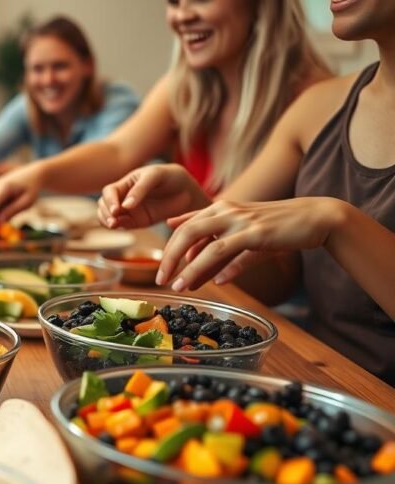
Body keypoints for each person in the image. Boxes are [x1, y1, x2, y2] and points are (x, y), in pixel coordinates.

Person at [98, 0, 395, 384]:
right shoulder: (317, 108)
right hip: (315, 381)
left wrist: (336, 223)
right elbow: (269, 281)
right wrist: (195, 204)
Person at [0, 0, 330, 232]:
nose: (181, 15)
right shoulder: (182, 86)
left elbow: (249, 247)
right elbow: (118, 152)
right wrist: (35, 174)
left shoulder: (313, 99)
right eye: (173, 1)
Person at [0, 15, 139, 179]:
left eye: (60, 66)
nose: (48, 80)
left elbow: (101, 172)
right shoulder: (28, 105)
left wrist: (31, 175)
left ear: (87, 66)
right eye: (37, 69)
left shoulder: (119, 101)